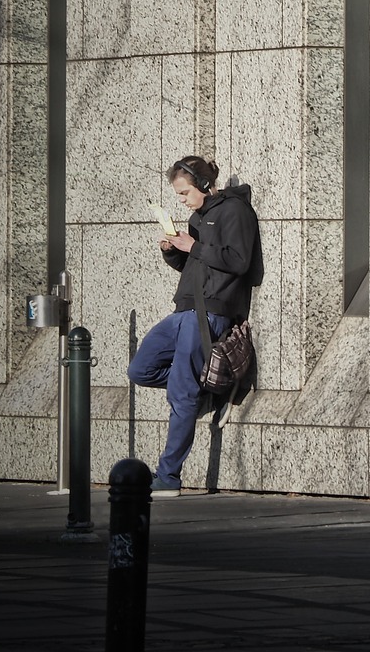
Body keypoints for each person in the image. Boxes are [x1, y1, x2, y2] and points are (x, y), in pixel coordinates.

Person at [127, 156, 264, 497]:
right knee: (140, 369)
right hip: (184, 308)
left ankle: (168, 476)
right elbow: (196, 266)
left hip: (211, 310)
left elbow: (239, 261)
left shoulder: (235, 211)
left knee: (181, 393)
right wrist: (174, 251)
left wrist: (195, 246)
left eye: (186, 192)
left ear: (204, 185)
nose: (183, 200)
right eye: (179, 195)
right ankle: (205, 391)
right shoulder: (197, 216)